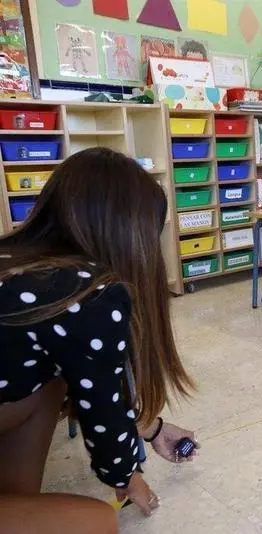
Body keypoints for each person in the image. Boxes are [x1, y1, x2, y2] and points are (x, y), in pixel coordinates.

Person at [0, 148, 197, 533]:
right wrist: (126, 477)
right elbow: (102, 413)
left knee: (47, 384)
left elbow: (91, 386)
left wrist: (151, 429)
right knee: (95, 522)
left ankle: (18, 503)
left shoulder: (20, 265)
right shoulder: (88, 293)